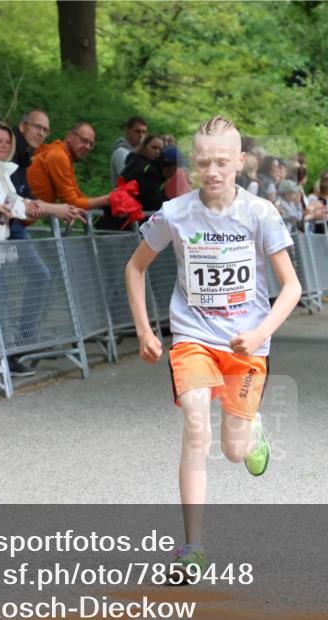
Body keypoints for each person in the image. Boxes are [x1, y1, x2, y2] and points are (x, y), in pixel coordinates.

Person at [124, 115, 301, 577]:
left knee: (233, 451)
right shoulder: (176, 213)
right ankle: (193, 547)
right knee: (196, 427)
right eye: (203, 162)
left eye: (223, 161)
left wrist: (260, 333)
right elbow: (135, 268)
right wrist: (145, 329)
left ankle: (252, 427)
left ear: (241, 162)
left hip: (246, 346)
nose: (213, 171)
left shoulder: (261, 213)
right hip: (193, 337)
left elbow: (292, 288)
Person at [0, 120, 81, 373]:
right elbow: (2, 202)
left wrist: (33, 207)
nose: (3, 146)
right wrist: (38, 208)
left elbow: (16, 201)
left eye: (7, 142)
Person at [27, 121, 111, 214]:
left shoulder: (63, 154)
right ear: (70, 136)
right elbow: (72, 202)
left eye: (91, 144)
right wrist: (108, 199)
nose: (87, 147)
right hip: (17, 216)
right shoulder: (59, 156)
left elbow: (77, 197)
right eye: (84, 140)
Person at [109, 116, 148, 185]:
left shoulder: (136, 153)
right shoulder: (121, 152)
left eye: (144, 132)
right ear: (127, 131)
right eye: (137, 131)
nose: (141, 135)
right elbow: (129, 179)